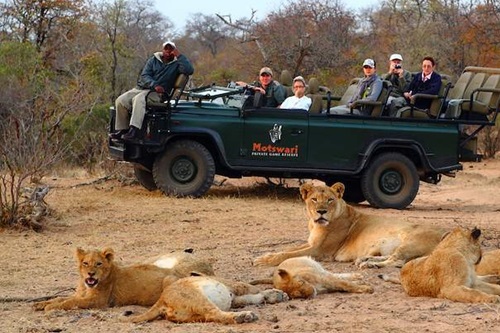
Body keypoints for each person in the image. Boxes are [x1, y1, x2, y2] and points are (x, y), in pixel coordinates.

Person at [110, 41, 194, 140]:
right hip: (142, 88)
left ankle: (134, 130)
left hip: (158, 94)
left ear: (174, 51)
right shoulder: (154, 60)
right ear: (163, 50)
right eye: (166, 49)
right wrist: (154, 84)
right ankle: (123, 129)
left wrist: (179, 56)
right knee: (120, 100)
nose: (167, 51)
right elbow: (145, 75)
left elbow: (189, 70)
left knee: (139, 99)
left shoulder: (177, 64)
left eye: (170, 49)